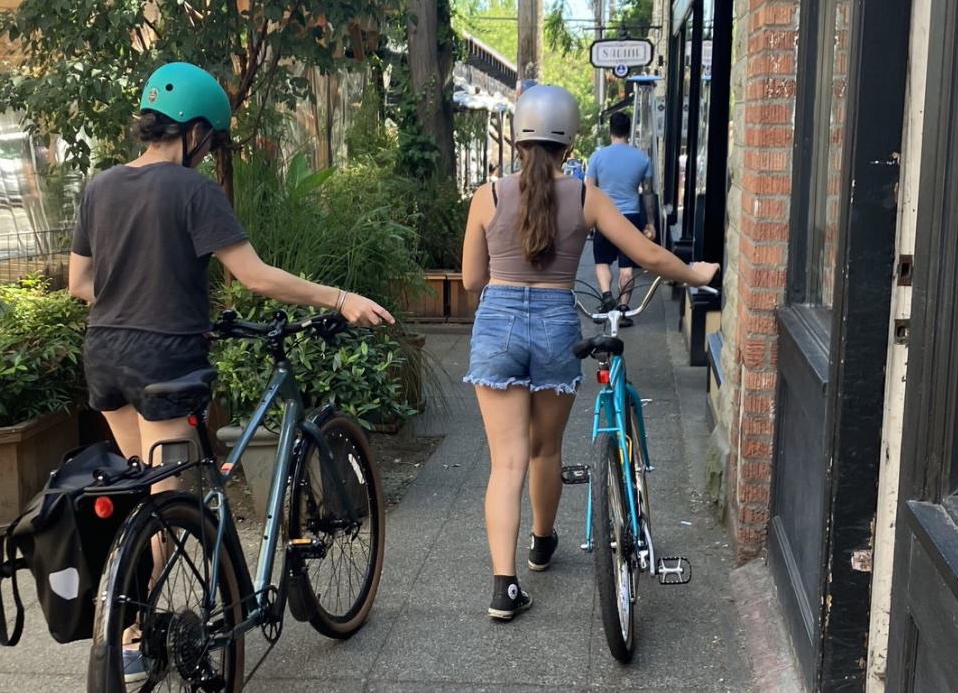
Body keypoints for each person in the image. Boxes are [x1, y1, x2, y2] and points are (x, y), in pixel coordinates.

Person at [67, 62, 394, 684]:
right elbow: (255, 276)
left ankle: (120, 611)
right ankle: (133, 636)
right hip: (166, 362)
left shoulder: (100, 186)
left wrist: (138, 300)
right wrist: (337, 297)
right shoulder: (193, 192)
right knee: (172, 504)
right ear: (192, 131)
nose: (210, 151)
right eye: (211, 139)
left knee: (145, 486)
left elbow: (81, 284)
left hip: (105, 356)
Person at [460, 84, 718, 622]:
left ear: (517, 135)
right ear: (569, 141)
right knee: (544, 450)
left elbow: (471, 279)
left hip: (497, 326)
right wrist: (694, 273)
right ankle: (541, 541)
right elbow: (644, 252)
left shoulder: (487, 195)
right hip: (557, 323)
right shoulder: (584, 197)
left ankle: (502, 588)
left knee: (504, 461)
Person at [586, 110, 658, 320]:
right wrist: (651, 222)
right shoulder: (642, 159)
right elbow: (648, 193)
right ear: (629, 131)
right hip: (630, 217)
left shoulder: (597, 157)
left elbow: (589, 189)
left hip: (603, 216)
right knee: (627, 268)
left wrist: (590, 219)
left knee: (602, 263)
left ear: (610, 131)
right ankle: (624, 310)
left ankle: (607, 297)